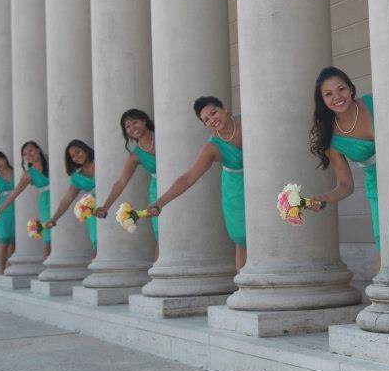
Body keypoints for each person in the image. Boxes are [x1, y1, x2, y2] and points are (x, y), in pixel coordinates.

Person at [147, 96, 246, 271]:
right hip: (235, 191)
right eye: (206, 120)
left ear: (224, 109)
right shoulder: (212, 147)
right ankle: (244, 288)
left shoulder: (247, 123)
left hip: (262, 185)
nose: (212, 120)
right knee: (241, 237)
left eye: (213, 113)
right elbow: (188, 178)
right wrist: (160, 202)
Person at [305, 67, 380, 271]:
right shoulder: (332, 139)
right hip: (379, 188)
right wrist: (322, 198)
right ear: (322, 100)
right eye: (328, 94)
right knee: (385, 244)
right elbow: (346, 185)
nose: (337, 97)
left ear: (350, 88)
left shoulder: (375, 102)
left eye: (341, 89)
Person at [94, 109, 159, 257]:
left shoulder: (162, 138)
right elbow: (121, 182)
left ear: (144, 121)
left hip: (176, 186)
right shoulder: (135, 155)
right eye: (127, 126)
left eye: (135, 122)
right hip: (156, 192)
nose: (132, 128)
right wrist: (105, 207)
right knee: (160, 234)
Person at [0, 141, 52, 258]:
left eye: (31, 150)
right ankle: (48, 269)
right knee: (48, 237)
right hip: (45, 202)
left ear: (38, 150)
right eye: (25, 154)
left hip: (59, 197)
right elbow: (13, 194)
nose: (28, 155)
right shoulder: (28, 174)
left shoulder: (51, 163)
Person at [47, 140, 97, 258]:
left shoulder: (100, 160)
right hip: (94, 213)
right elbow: (67, 199)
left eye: (78, 152)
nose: (76, 157)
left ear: (85, 149)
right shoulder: (77, 177)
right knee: (97, 243)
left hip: (111, 204)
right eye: (72, 156)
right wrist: (54, 219)